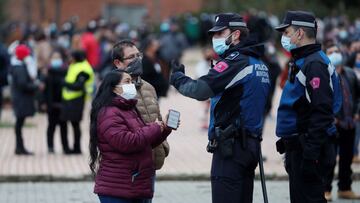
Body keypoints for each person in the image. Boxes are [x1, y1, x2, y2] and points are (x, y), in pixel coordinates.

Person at [170, 13, 270, 203]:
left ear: (236, 35)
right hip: (250, 144)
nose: (215, 39)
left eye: (220, 33)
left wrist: (178, 78)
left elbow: (200, 90)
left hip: (231, 148)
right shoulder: (258, 62)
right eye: (213, 35)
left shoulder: (235, 62)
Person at [275, 11, 342, 203]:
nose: (284, 37)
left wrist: (310, 155)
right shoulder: (303, 60)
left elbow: (322, 112)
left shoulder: (315, 64)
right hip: (301, 146)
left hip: (310, 149)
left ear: (300, 34)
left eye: (287, 32)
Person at [89, 70, 173, 203]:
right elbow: (127, 142)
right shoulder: (109, 113)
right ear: (114, 88)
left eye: (131, 81)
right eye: (127, 82)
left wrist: (165, 128)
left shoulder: (128, 109)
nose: (131, 84)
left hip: (134, 185)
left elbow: (144, 142)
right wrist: (155, 127)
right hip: (117, 188)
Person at [111, 39, 170, 203]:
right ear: (118, 63)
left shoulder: (148, 87)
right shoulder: (112, 89)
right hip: (128, 167)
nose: (137, 60)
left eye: (139, 55)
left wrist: (165, 130)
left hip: (149, 165)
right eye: (131, 57)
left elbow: (156, 119)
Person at [323, 42, 360, 200]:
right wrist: (331, 118)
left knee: (347, 158)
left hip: (349, 123)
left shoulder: (350, 73)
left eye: (337, 51)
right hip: (333, 124)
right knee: (329, 159)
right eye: (331, 51)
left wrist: (357, 113)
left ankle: (345, 187)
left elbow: (358, 96)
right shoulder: (324, 74)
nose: (335, 54)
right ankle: (326, 189)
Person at [10, 44, 44, 155]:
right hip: (21, 100)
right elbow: (23, 84)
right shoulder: (19, 68)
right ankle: (19, 147)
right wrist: (36, 86)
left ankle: (19, 147)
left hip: (19, 99)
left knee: (19, 124)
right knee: (19, 124)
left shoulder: (17, 66)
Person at [61, 50, 95, 154]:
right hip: (67, 98)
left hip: (77, 99)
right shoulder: (74, 65)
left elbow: (78, 86)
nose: (70, 59)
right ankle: (66, 148)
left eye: (72, 56)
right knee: (64, 123)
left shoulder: (84, 69)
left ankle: (77, 148)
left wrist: (64, 83)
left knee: (75, 124)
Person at [44, 50, 70, 154]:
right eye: (54, 58)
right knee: (51, 126)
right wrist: (44, 103)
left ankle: (65, 147)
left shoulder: (66, 72)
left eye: (58, 58)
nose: (56, 60)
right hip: (51, 104)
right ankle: (50, 146)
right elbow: (44, 91)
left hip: (63, 103)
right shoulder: (47, 74)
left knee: (64, 126)